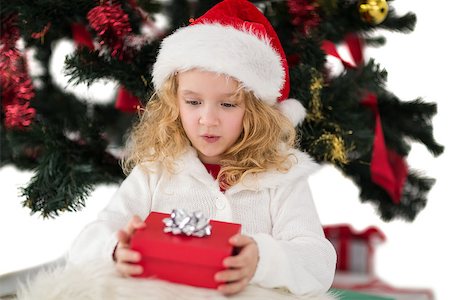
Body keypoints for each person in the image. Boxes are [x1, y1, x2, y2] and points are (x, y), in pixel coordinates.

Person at [68, 0, 336, 296]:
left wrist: (263, 259)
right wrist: (116, 248)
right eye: (193, 102)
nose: (208, 120)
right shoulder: (157, 170)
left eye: (228, 104)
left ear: (257, 111)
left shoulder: (281, 176)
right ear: (174, 102)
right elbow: (86, 243)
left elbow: (318, 261)